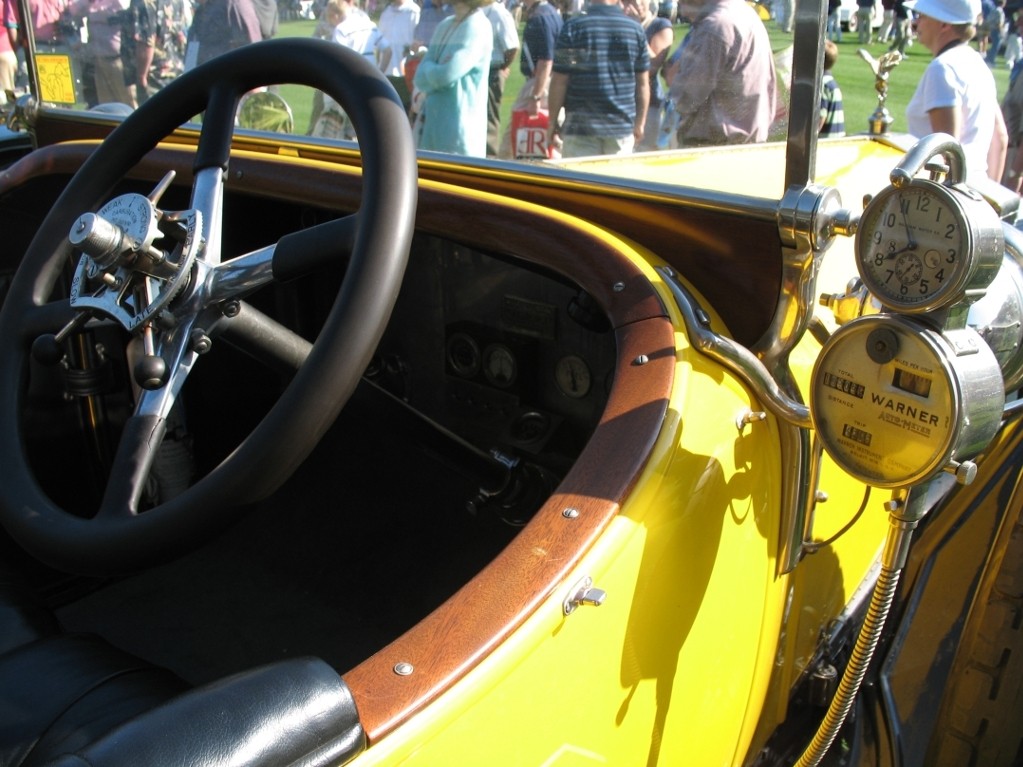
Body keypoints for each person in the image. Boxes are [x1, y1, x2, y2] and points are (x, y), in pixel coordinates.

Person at [905, 0, 1007, 181]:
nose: (916, 22)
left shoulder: (942, 68)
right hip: (974, 190)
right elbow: (1000, 139)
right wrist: (991, 198)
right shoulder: (977, 63)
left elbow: (947, 152)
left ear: (944, 24)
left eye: (923, 16)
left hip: (942, 199)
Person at [546, 0, 649, 158]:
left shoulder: (573, 26)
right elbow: (642, 84)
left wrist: (552, 121)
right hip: (620, 125)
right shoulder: (635, 29)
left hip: (581, 127)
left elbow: (560, 81)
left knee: (579, 182)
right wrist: (640, 123)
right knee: (615, 183)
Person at [668, 0, 777, 147]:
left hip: (714, 149)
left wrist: (674, 79)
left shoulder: (715, 26)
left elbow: (686, 97)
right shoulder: (746, 14)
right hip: (747, 145)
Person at [411, 0, 492, 156]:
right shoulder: (445, 25)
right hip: (430, 132)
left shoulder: (478, 26)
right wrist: (435, 69)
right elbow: (419, 77)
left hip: (460, 139)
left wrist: (430, 68)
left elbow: (447, 74)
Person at [497, 0, 561, 158]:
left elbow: (546, 61)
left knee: (510, 145)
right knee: (547, 140)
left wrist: (536, 96)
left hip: (539, 82)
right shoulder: (550, 12)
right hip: (547, 81)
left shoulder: (541, 17)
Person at [312, 0, 383, 139]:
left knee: (331, 129)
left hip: (340, 86)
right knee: (356, 129)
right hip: (366, 82)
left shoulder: (342, 28)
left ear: (336, 16)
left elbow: (336, 59)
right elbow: (386, 49)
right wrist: (380, 71)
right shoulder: (367, 21)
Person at [68, 0, 136, 106]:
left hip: (118, 59)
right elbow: (73, 11)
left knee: (128, 102)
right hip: (99, 60)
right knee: (106, 104)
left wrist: (93, 11)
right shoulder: (92, 2)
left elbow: (117, 13)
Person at [626, 0, 672, 151]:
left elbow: (652, 66)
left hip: (648, 104)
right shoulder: (618, 23)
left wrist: (635, 27)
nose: (637, 3)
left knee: (643, 153)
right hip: (621, 102)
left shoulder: (660, 25)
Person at [482, 0, 518, 156]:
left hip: (492, 72)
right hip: (476, 71)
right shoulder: (476, 11)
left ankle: (489, 161)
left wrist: (503, 66)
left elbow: (512, 47)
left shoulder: (499, 14)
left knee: (489, 121)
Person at [185, 0, 261, 68]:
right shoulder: (200, 12)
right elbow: (191, 61)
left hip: (231, 80)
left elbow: (254, 55)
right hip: (203, 81)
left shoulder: (234, 5)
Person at [377, 0, 420, 109]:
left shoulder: (414, 12)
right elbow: (379, 43)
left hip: (405, 76)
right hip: (385, 74)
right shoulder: (386, 12)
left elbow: (418, 45)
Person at [820, 39, 845, 137]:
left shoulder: (822, 84)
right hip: (837, 137)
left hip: (826, 140)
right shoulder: (831, 82)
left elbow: (821, 117)